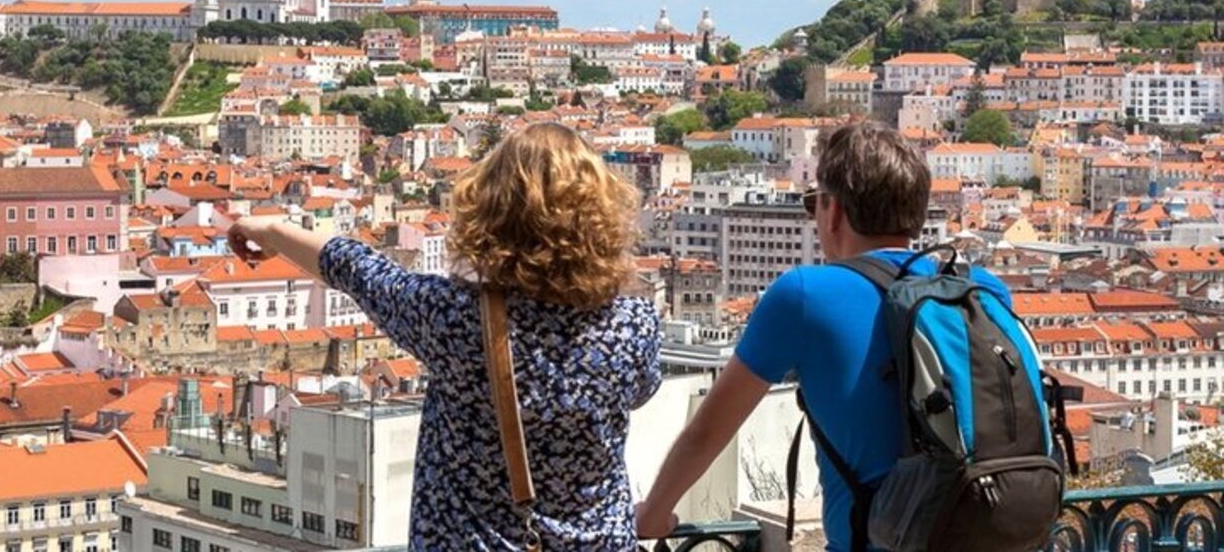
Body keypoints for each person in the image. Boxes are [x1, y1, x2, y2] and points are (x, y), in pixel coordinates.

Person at [229, 122, 662, 550]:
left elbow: (358, 269)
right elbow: (640, 392)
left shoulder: (452, 318)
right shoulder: (632, 325)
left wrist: (272, 231)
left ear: (490, 210)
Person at [635, 121, 1012, 551]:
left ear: (832, 211)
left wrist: (653, 514)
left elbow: (708, 431)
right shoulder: (982, 289)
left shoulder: (805, 295)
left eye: (813, 203)